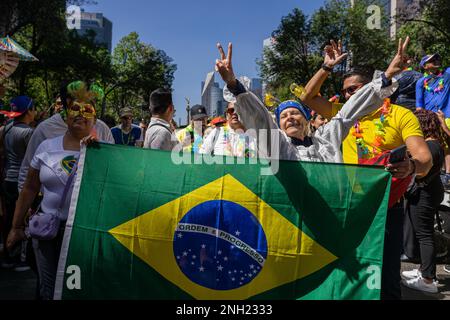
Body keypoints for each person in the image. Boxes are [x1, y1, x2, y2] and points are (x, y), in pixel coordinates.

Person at [300, 39, 432, 300]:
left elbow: (425, 158)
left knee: (386, 275)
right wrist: (327, 67)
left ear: (371, 87)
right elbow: (307, 97)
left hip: (385, 207)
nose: (349, 96)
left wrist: (411, 166)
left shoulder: (399, 115)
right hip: (347, 206)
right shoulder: (344, 115)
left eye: (355, 89)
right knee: (350, 270)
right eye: (346, 92)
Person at [215, 40, 403, 163]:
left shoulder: (326, 139)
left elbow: (349, 111)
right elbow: (260, 119)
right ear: (278, 125)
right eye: (284, 116)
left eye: (295, 113)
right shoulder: (277, 145)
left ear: (307, 119)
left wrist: (385, 78)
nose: (290, 117)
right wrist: (233, 84)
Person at [6, 81, 100, 300]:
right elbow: (29, 188)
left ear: (94, 118)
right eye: (75, 109)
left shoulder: (102, 152)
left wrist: (97, 153)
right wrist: (16, 226)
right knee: (48, 290)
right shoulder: (46, 146)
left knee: (76, 289)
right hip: (47, 232)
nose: (80, 114)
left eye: (87, 110)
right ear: (66, 114)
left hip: (82, 235)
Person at [17, 82, 114, 192]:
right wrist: (25, 202)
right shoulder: (45, 129)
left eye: (87, 108)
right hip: (50, 205)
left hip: (90, 200)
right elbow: (28, 169)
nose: (81, 112)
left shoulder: (102, 128)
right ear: (67, 103)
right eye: (75, 106)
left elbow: (112, 167)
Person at [401, 109, 444, 293]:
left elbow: (421, 172)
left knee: (425, 236)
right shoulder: (436, 144)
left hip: (424, 194)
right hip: (430, 192)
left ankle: (427, 280)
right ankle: (424, 271)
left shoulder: (431, 147)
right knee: (424, 234)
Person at [0, 96, 35, 271]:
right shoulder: (29, 133)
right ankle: (21, 259)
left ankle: (6, 255)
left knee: (8, 218)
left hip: (7, 179)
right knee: (22, 218)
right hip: (22, 182)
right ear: (29, 111)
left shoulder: (5, 128)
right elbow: (32, 160)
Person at [415, 54, 450, 185]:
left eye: (437, 59)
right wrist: (423, 119)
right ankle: (436, 172)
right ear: (424, 66)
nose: (436, 61)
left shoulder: (447, 75)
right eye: (432, 60)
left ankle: (447, 175)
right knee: (433, 144)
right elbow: (419, 103)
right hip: (430, 118)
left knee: (447, 145)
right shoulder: (420, 82)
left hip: (446, 115)